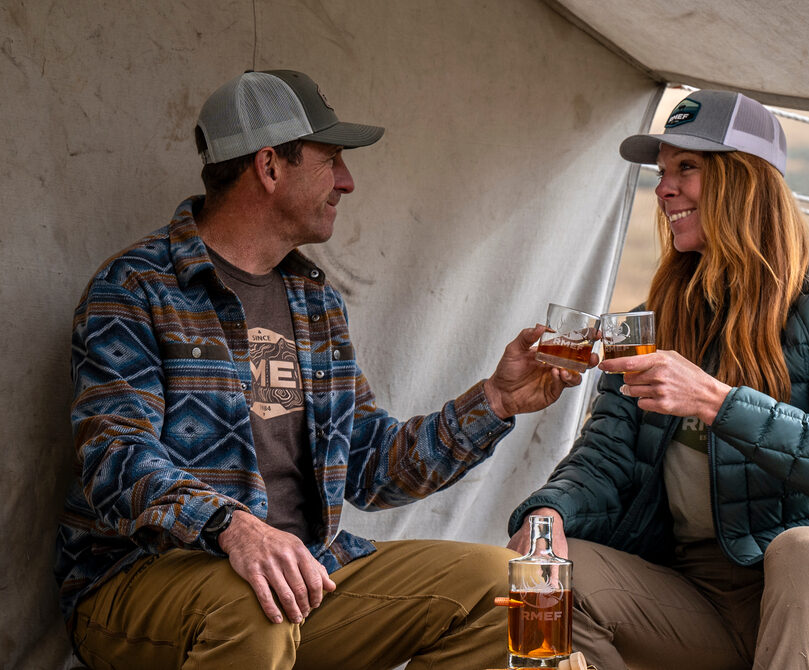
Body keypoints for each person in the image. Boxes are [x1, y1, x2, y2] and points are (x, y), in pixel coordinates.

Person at [55, 69, 587, 670]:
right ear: (269, 166)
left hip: (306, 577)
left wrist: (495, 400)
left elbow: (369, 469)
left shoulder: (315, 302)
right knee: (259, 605)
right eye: (331, 159)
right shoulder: (135, 288)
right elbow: (115, 456)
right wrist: (232, 527)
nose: (348, 181)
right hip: (140, 582)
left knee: (511, 589)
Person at [507, 89, 809, 669]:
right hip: (698, 594)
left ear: (745, 181)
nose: (664, 189)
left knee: (801, 551)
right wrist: (548, 514)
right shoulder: (654, 317)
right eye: (662, 172)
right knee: (540, 573)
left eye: (687, 168)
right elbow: (604, 459)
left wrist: (716, 401)